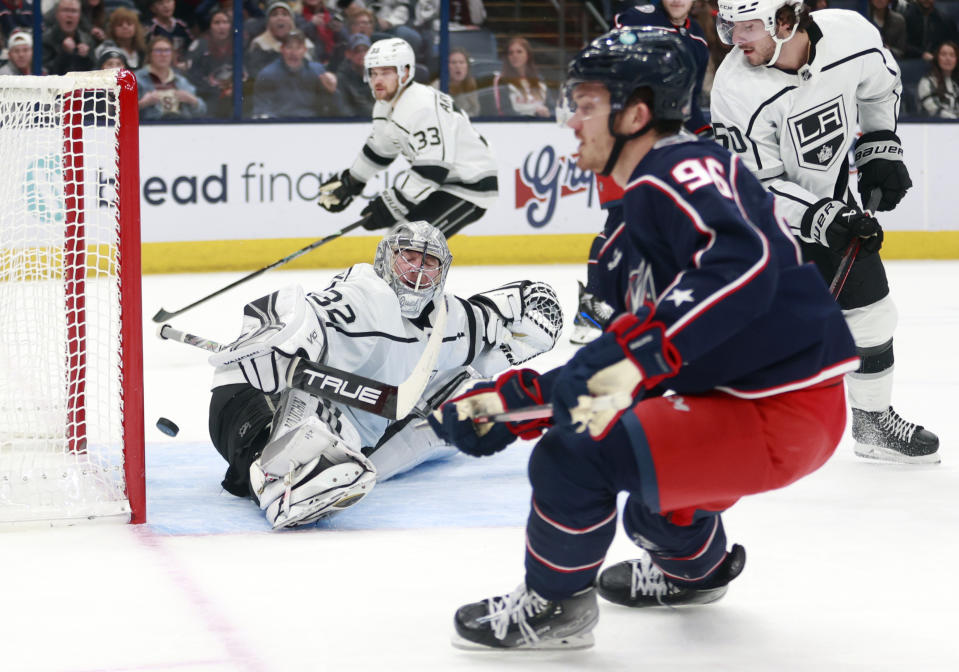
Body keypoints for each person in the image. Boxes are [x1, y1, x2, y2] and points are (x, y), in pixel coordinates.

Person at [428, 26, 860, 650]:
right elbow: (627, 366)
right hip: (757, 406)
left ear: (636, 113)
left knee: (575, 456)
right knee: (652, 501)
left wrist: (623, 367)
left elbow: (741, 265)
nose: (572, 121)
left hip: (775, 409)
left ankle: (555, 608)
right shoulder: (626, 236)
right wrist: (510, 404)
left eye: (586, 105)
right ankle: (698, 573)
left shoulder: (680, 166)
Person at [206, 220, 564, 529]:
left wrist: (535, 307)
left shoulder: (449, 317)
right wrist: (280, 339)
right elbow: (297, 310)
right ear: (387, 258)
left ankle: (294, 474)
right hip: (246, 400)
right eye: (408, 257)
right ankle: (268, 474)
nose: (419, 271)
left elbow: (493, 320)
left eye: (430, 262)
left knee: (445, 417)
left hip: (350, 430)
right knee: (296, 431)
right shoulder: (367, 296)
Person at [710, 0, 940, 464]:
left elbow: (880, 87)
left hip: (833, 208)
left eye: (748, 26)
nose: (737, 39)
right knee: (752, 330)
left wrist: (880, 147)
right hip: (767, 227)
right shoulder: (734, 87)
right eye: (730, 27)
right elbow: (755, 185)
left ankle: (873, 423)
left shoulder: (849, 34)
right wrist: (822, 216)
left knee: (873, 314)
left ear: (786, 21)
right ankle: (722, 421)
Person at [571, 0, 713, 346]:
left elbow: (689, 105)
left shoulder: (697, 41)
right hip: (619, 136)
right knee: (622, 220)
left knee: (655, 226)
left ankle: (640, 306)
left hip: (660, 141)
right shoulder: (638, 18)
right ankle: (593, 307)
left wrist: (706, 135)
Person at [317, 38, 498, 238]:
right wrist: (352, 181)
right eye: (373, 73)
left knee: (405, 243)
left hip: (470, 183)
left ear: (404, 72)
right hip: (445, 182)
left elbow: (433, 167)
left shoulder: (421, 105)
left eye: (386, 72)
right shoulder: (385, 105)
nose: (377, 80)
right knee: (398, 243)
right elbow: (380, 150)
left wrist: (392, 205)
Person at [252, 30, 341, 118]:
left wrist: (332, 92)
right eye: (289, 47)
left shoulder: (318, 71)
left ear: (305, 50)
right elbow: (262, 110)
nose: (293, 52)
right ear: (282, 49)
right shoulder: (267, 74)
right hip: (281, 125)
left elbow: (332, 109)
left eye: (298, 47)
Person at [188, 8, 244, 119]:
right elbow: (192, 77)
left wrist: (235, 88)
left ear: (230, 25)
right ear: (210, 26)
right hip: (208, 99)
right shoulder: (200, 45)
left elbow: (246, 73)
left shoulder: (238, 44)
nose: (221, 27)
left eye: (225, 22)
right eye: (217, 23)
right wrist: (218, 90)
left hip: (234, 99)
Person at [135, 35, 207, 119]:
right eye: (158, 51)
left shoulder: (180, 81)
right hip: (149, 127)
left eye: (167, 51)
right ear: (150, 54)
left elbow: (203, 111)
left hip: (179, 125)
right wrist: (142, 103)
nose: (163, 55)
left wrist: (193, 101)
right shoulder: (136, 79)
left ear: (172, 55)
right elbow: (121, 112)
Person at [246, 0, 315, 77]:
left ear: (291, 21)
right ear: (268, 22)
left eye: (285, 14)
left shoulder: (307, 46)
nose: (280, 18)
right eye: (274, 15)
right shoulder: (259, 45)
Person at [493, 36, 550, 117]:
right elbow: (504, 111)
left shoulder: (538, 78)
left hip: (541, 125)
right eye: (511, 53)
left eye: (519, 52)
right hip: (515, 126)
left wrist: (547, 113)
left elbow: (551, 107)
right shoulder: (501, 80)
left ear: (528, 55)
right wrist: (533, 114)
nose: (515, 56)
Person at [42, 0, 95, 74]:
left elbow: (93, 72)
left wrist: (86, 57)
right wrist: (64, 53)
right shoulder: (45, 40)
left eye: (74, 11)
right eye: (65, 10)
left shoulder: (87, 40)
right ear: (57, 14)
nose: (69, 15)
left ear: (79, 15)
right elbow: (45, 73)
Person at [431, 47, 480, 118]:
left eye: (461, 62)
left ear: (467, 66)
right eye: (453, 62)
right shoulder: (437, 86)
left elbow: (475, 111)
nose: (458, 66)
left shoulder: (471, 84)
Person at [335, 32, 375, 117]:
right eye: (357, 51)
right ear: (348, 54)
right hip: (352, 124)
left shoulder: (377, 75)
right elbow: (343, 108)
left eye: (365, 50)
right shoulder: (341, 78)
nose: (362, 54)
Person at [144, 0, 192, 68]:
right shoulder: (149, 28)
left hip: (182, 67)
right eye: (160, 3)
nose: (166, 6)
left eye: (168, 1)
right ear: (153, 8)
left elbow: (191, 47)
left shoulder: (182, 26)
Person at [918, 40, 959, 117]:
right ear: (937, 58)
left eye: (952, 55)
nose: (948, 58)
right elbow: (934, 111)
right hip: (933, 126)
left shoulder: (955, 85)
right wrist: (955, 119)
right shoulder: (927, 82)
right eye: (943, 54)